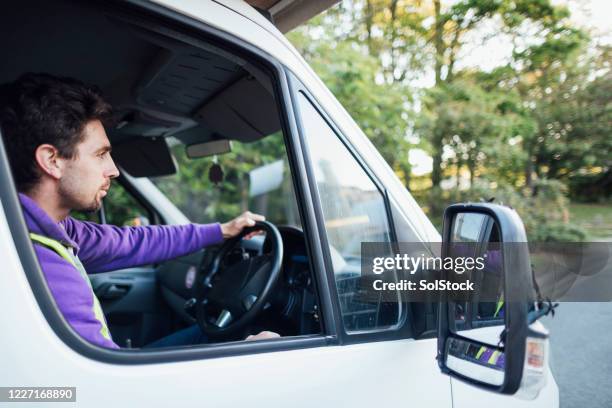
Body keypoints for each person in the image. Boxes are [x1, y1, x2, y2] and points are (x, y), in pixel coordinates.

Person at [0, 73, 279, 349]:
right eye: (100, 154)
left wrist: (220, 231)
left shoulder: (48, 229)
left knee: (208, 336)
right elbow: (106, 388)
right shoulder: (40, 264)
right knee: (232, 343)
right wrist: (245, 355)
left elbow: (132, 241)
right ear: (52, 160)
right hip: (106, 388)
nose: (113, 170)